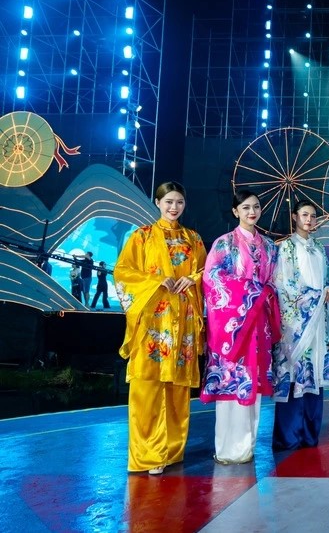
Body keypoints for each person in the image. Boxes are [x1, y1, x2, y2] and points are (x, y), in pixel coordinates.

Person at [114, 181, 206, 475]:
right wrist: (155, 281)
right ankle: (147, 454)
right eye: (168, 202)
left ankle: (172, 450)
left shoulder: (193, 239)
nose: (174, 207)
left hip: (183, 323)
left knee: (177, 388)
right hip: (153, 323)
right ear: (157, 203)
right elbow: (122, 272)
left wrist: (193, 279)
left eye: (179, 202)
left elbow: (206, 272)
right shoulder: (141, 237)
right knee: (147, 386)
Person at [200, 189, 280, 465]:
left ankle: (247, 447)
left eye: (256, 206)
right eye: (245, 207)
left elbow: (274, 282)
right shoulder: (224, 244)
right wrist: (252, 291)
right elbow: (212, 278)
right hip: (231, 327)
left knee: (252, 384)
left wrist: (266, 294)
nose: (252, 212)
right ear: (235, 211)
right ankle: (226, 449)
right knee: (230, 382)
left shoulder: (269, 246)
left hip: (258, 325)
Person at [270, 199, 329, 451]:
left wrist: (326, 290)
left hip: (316, 323)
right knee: (294, 372)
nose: (309, 219)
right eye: (304, 215)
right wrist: (314, 297)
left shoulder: (319, 248)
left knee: (314, 372)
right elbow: (283, 284)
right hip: (295, 324)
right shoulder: (286, 247)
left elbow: (325, 280)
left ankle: (309, 433)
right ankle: (289, 435)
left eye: (313, 215)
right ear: (295, 217)